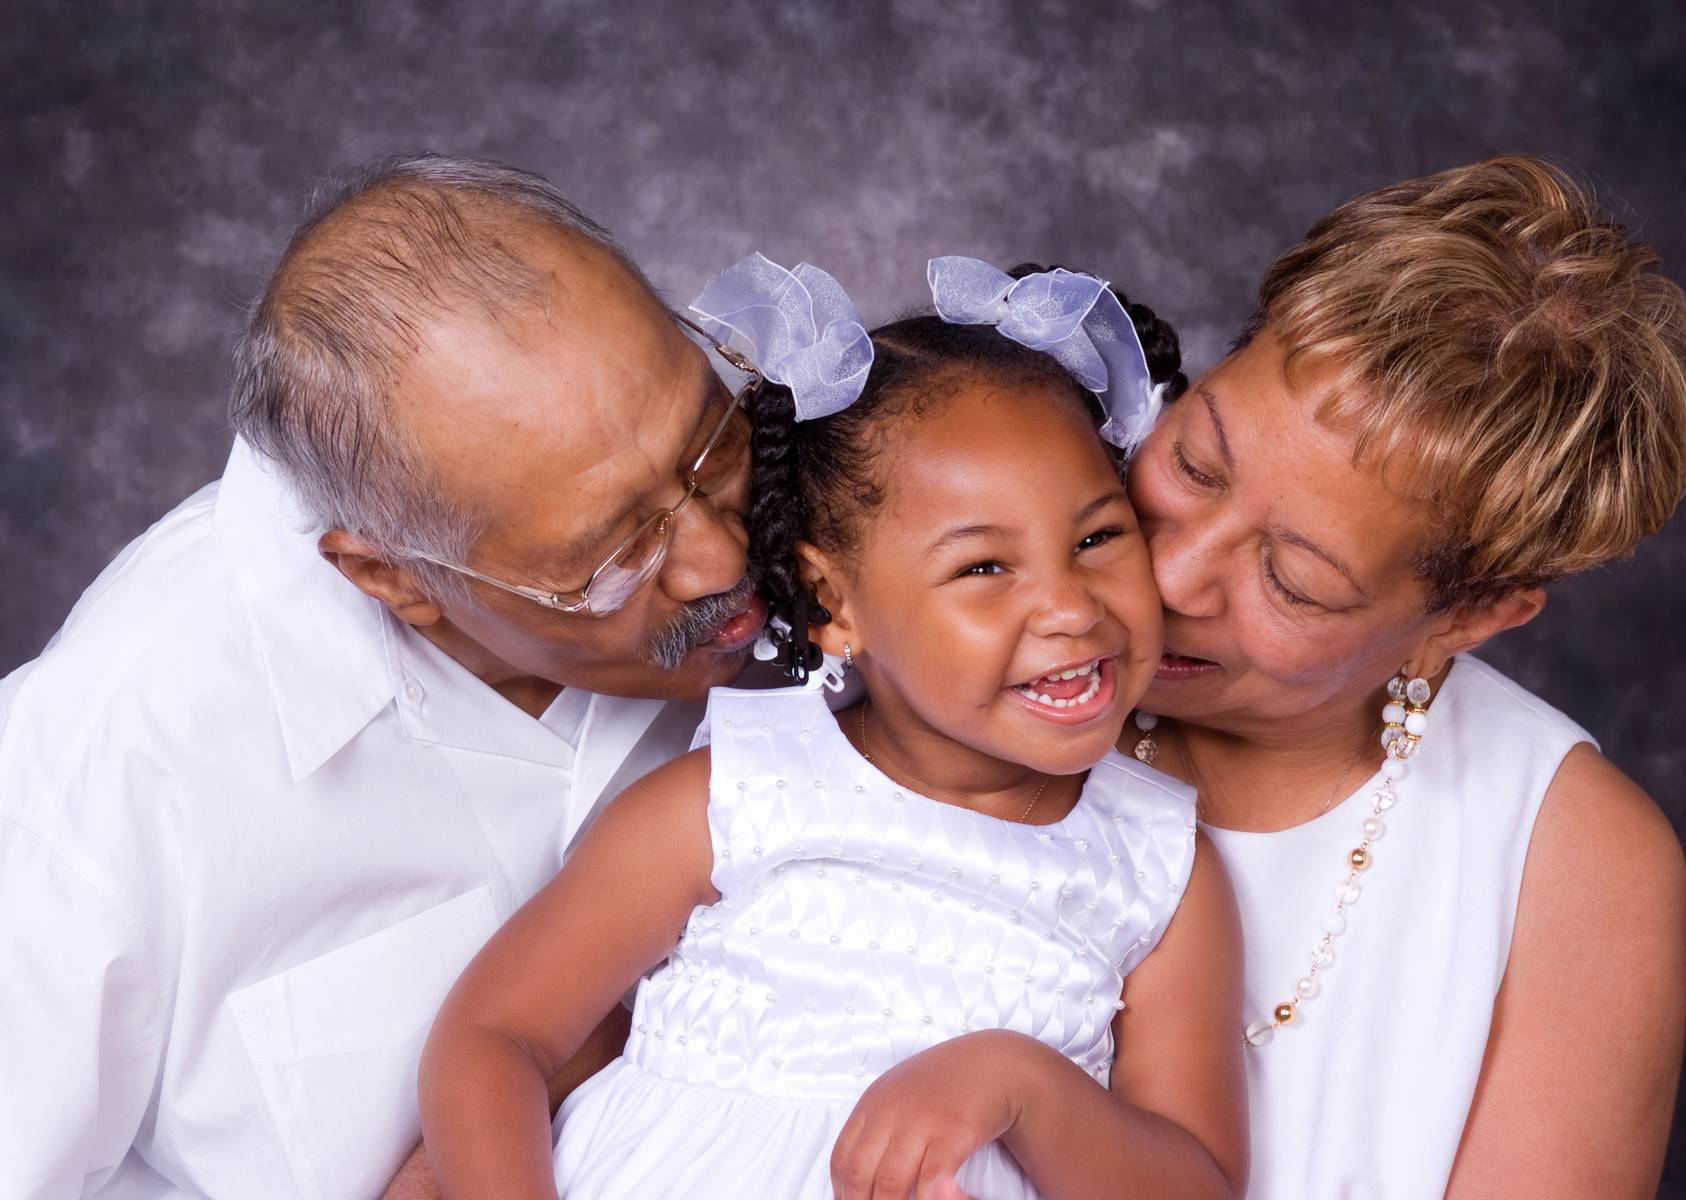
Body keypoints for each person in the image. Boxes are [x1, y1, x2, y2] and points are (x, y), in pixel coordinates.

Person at [0, 154, 767, 1199]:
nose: (722, 562)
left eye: (707, 445)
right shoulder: (107, 760)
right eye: (611, 557)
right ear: (392, 577)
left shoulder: (851, 499)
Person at [417, 255, 1248, 1200]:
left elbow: (1200, 1184)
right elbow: (493, 1037)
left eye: (1100, 539)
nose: (1069, 607)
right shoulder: (736, 799)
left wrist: (1023, 1086)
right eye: (983, 568)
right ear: (832, 601)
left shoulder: (1156, 867)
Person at [1121, 155, 1686, 1198]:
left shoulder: (1572, 862)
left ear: (1473, 616)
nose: (1169, 574)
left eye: (1293, 581)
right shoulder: (957, 627)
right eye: (1195, 465)